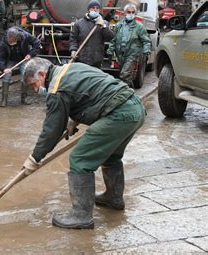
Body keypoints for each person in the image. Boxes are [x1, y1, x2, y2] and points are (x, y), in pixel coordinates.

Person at [21, 57, 145, 229]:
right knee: (110, 156)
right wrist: (74, 120)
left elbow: (51, 131)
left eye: (34, 84)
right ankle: (113, 198)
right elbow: (92, 92)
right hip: (135, 109)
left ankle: (81, 216)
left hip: (118, 114)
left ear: (42, 74)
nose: (35, 90)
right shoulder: (71, 68)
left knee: (80, 159)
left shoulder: (56, 89)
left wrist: (35, 158)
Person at [106, 3, 151, 88]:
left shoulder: (139, 27)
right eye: (128, 12)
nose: (131, 14)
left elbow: (146, 41)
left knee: (124, 75)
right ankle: (130, 94)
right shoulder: (119, 26)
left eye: (133, 12)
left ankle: (128, 94)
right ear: (124, 13)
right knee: (126, 77)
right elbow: (113, 40)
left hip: (131, 55)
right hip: (120, 55)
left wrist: (146, 51)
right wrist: (110, 51)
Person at [0, 26, 41, 107]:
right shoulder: (3, 43)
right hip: (10, 59)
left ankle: (24, 97)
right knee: (6, 76)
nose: (11, 42)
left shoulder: (25, 36)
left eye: (13, 41)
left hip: (23, 58)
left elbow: (37, 44)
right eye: (9, 41)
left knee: (25, 75)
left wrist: (30, 54)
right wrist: (3, 69)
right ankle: (4, 99)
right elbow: (0, 58)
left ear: (17, 37)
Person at [69, 0, 114, 68]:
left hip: (96, 60)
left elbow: (110, 37)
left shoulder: (104, 23)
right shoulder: (79, 23)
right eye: (93, 7)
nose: (95, 9)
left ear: (99, 10)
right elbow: (73, 38)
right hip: (82, 58)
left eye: (97, 8)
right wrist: (73, 50)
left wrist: (103, 26)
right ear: (89, 9)